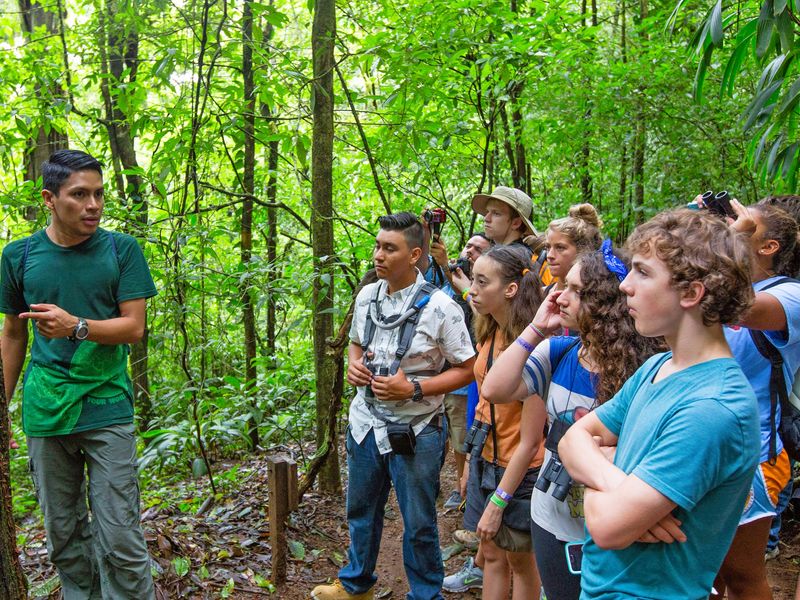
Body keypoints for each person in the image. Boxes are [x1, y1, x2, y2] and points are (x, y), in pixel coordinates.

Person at [555, 209, 760, 599]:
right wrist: (619, 480)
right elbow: (571, 439)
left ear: (691, 292)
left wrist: (600, 465)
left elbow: (609, 528)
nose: (625, 286)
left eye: (643, 273)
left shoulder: (712, 408)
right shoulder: (659, 365)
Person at [0, 149, 157, 599]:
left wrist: (78, 327)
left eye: (99, 194)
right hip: (45, 411)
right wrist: (3, 407)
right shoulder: (19, 256)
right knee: (65, 540)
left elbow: (134, 327)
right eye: (80, 195)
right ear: (50, 199)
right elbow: (13, 334)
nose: (94, 205)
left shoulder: (120, 249)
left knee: (121, 538)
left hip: (106, 406)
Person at [481, 241, 662, 600]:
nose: (560, 296)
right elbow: (495, 389)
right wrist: (535, 328)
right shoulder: (559, 351)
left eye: (575, 291)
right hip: (551, 513)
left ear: (606, 302)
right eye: (564, 287)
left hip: (611, 520)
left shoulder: (645, 369)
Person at [311, 212, 476, 600]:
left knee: (419, 522)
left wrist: (414, 389)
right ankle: (357, 585)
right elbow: (355, 341)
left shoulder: (442, 307)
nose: (378, 255)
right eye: (377, 246)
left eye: (389, 248)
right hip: (364, 423)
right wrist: (354, 364)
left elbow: (468, 369)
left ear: (415, 254)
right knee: (361, 511)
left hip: (416, 430)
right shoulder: (368, 294)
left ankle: (424, 594)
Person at [710, 200, 800, 599]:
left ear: (770, 246)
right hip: (706, 442)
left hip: (757, 452)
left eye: (747, 226)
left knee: (740, 575)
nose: (734, 226)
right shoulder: (720, 282)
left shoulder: (791, 296)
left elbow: (736, 307)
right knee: (701, 569)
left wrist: (726, 239)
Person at [445, 245, 545, 599]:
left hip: (520, 470)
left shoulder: (533, 347)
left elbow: (532, 441)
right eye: (473, 280)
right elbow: (484, 406)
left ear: (511, 289)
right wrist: (472, 460)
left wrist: (500, 501)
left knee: (520, 560)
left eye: (481, 282)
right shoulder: (489, 331)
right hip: (486, 461)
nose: (471, 289)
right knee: (489, 553)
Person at [427, 231, 491, 510]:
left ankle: (466, 489)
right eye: (468, 246)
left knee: (465, 434)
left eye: (478, 249)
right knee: (452, 435)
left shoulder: (485, 288)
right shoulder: (446, 282)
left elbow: (476, 308)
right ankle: (456, 485)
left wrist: (448, 270)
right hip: (442, 375)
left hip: (471, 375)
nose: (470, 252)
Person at [543, 203, 602, 292]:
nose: (549, 255)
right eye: (547, 247)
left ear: (583, 250)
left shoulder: (594, 301)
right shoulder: (541, 294)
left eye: (560, 247)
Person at [471, 186, 538, 250]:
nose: (486, 219)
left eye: (496, 213)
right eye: (487, 211)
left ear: (516, 223)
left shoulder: (512, 258)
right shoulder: (520, 253)